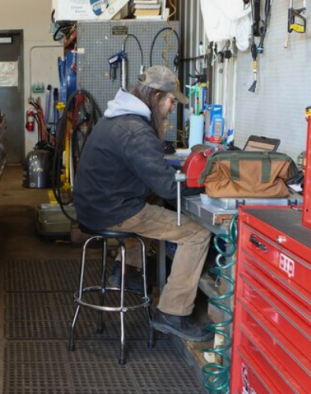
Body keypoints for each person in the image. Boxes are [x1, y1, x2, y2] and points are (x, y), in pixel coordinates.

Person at [73, 65, 213, 342]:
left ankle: (128, 270)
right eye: (171, 101)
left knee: (154, 199)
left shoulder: (116, 117)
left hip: (94, 206)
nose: (171, 108)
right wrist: (208, 183)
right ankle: (173, 312)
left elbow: (154, 182)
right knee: (197, 234)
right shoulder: (137, 131)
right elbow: (168, 187)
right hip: (112, 211)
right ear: (157, 97)